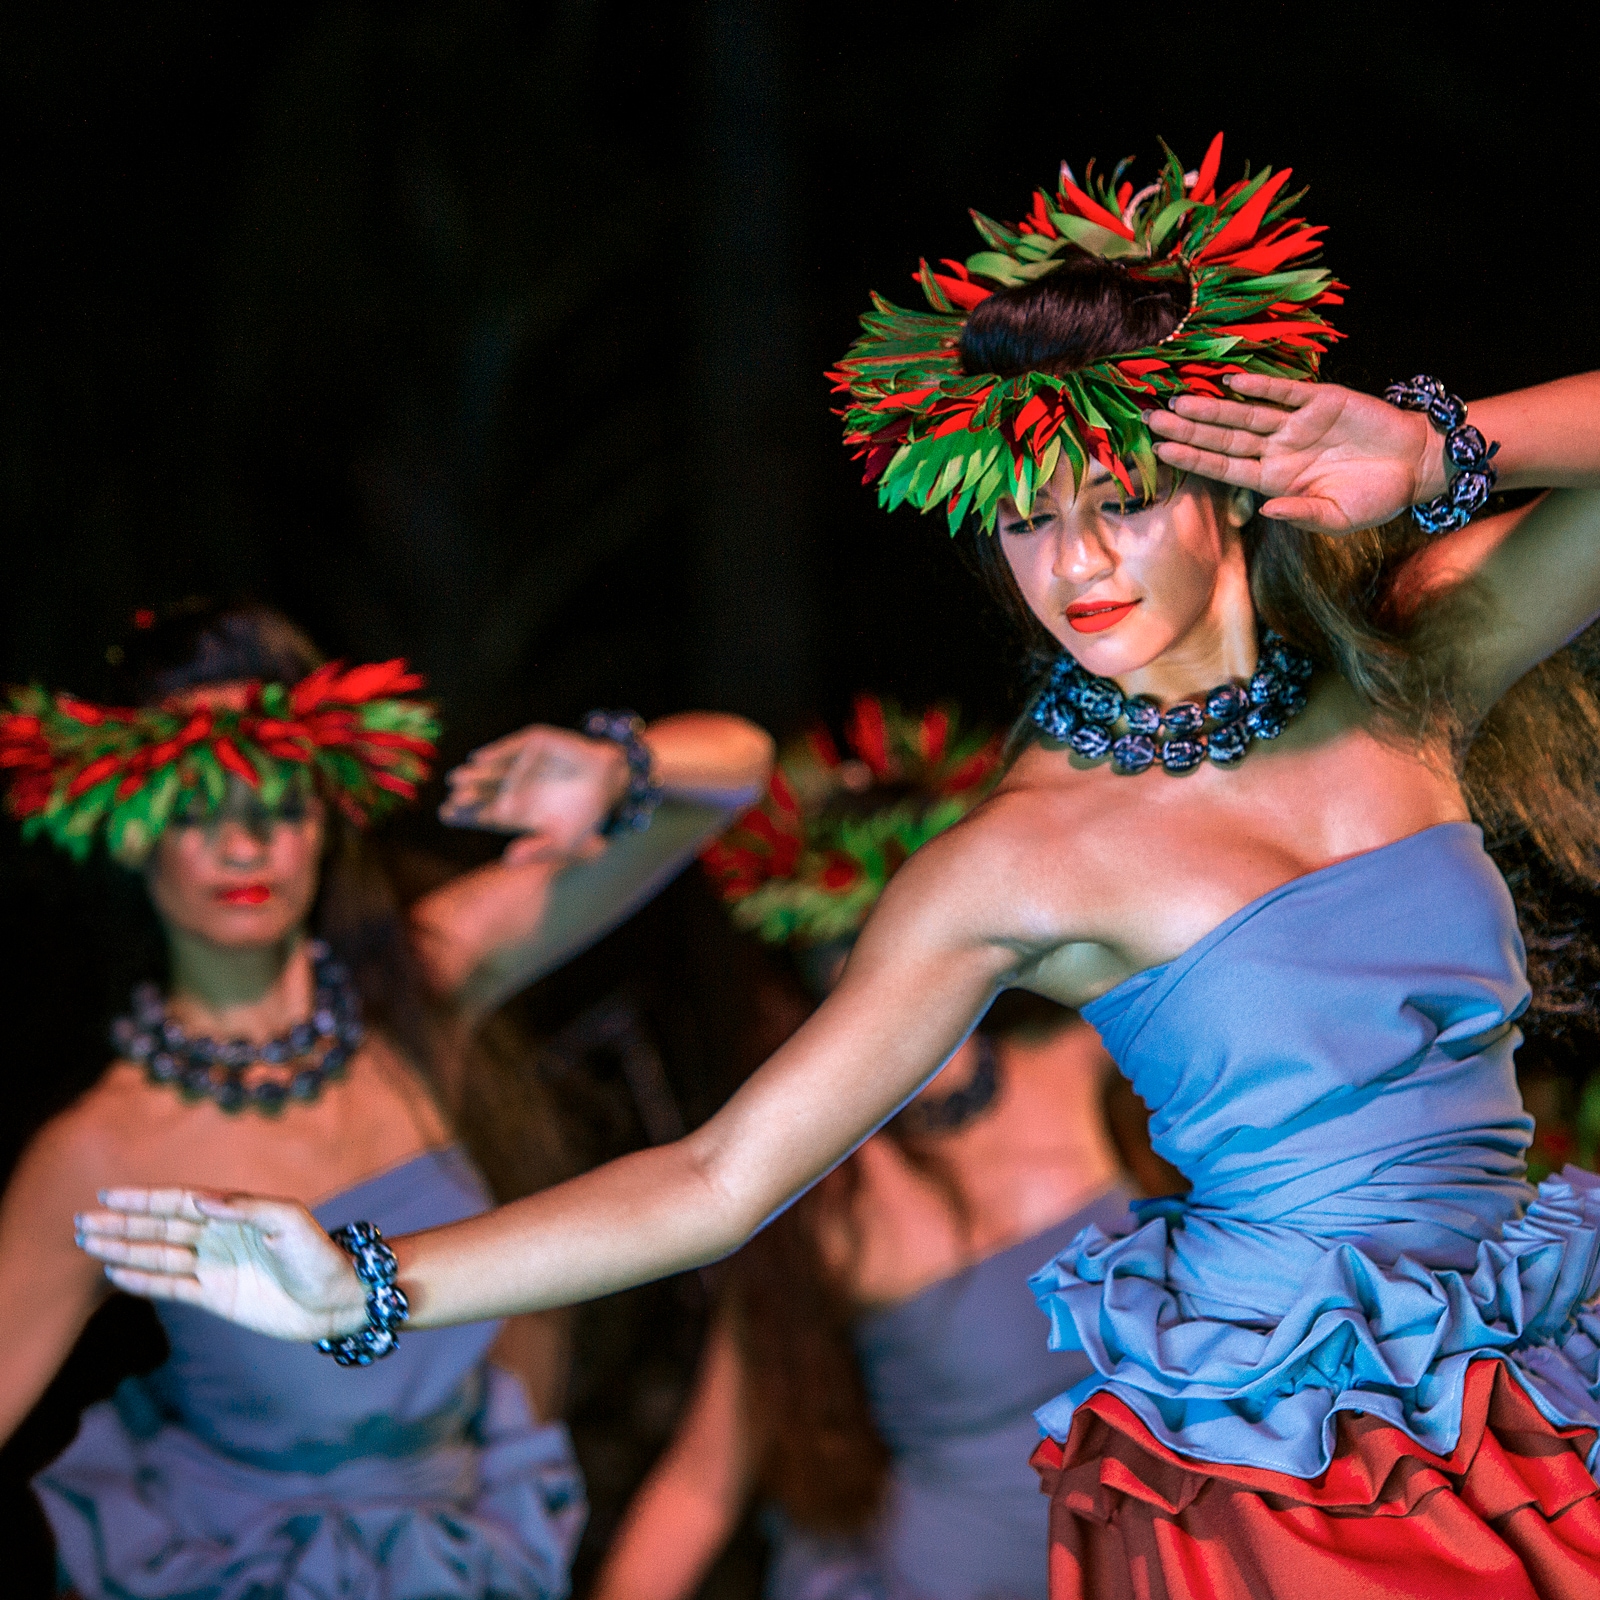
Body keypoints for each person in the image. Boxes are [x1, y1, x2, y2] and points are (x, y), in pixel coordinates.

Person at [76, 134, 1600, 1598]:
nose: (1071, 570)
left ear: (1232, 483)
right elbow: (716, 1177)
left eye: (1119, 503)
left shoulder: (1415, 661)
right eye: (1025, 521)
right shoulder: (1018, 861)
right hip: (1288, 1455)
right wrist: (367, 1285)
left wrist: (1445, 442)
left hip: (1529, 1369)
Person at [0, 599, 772, 1599]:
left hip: (471, 1557)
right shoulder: (99, 1148)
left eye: (278, 800)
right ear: (128, 827)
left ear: (326, 810)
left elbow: (740, 765)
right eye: (199, 806)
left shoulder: (421, 985)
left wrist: (615, 768)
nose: (245, 845)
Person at [593, 697, 1134, 1600]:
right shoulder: (818, 1198)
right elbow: (699, 1483)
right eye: (846, 944)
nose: (887, 963)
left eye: (913, 915)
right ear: (810, 970)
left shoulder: (1105, 1065)